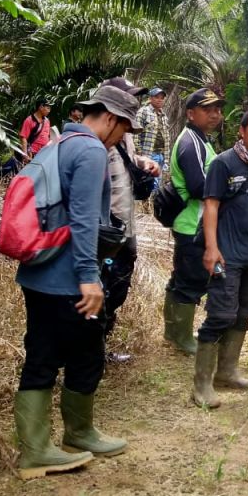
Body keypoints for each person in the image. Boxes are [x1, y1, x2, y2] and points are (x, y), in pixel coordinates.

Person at [12, 85, 142, 479]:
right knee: (86, 352)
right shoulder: (90, 150)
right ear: (110, 119)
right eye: (124, 128)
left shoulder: (60, 142)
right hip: (68, 277)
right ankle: (74, 435)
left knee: (42, 353)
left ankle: (40, 446)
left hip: (39, 272)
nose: (123, 136)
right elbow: (85, 220)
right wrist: (89, 278)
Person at [193, 108, 248, 408]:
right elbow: (211, 206)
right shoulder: (223, 163)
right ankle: (201, 385)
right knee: (220, 314)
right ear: (242, 131)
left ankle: (227, 372)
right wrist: (211, 247)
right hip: (227, 255)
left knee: (245, 311)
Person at [99, 77, 160, 364]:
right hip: (106, 230)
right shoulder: (97, 139)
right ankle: (91, 353)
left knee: (118, 287)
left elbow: (126, 159)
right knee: (102, 287)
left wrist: (143, 162)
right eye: (128, 96)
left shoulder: (125, 133)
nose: (133, 102)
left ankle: (100, 346)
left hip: (125, 225)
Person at [163, 88, 225, 355]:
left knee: (180, 277)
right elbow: (198, 187)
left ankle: (172, 332)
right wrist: (227, 186)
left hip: (192, 222)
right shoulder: (190, 143)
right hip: (193, 225)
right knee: (192, 280)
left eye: (218, 109)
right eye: (207, 109)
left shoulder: (201, 140)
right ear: (190, 114)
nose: (215, 114)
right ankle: (183, 338)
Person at [135, 87, 169, 191]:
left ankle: (153, 200)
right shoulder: (143, 111)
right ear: (150, 98)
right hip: (149, 154)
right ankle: (148, 200)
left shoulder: (163, 116)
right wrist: (139, 152)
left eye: (162, 98)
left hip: (161, 154)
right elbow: (136, 133)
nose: (160, 100)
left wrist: (166, 157)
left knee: (158, 183)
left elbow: (166, 137)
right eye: (157, 97)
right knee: (150, 182)